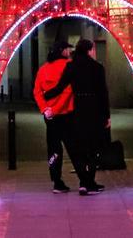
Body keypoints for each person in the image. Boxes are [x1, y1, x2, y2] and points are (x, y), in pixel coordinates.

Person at [44, 38, 110, 196]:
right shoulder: (97, 67)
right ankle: (89, 182)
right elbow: (103, 93)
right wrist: (106, 115)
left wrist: (47, 95)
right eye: (93, 49)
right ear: (90, 50)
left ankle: (84, 182)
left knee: (81, 147)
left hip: (78, 108)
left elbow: (60, 86)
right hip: (94, 110)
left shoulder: (71, 66)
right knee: (93, 147)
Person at [33, 40, 75, 193]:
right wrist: (56, 109)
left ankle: (56, 181)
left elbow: (37, 92)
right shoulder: (68, 66)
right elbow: (68, 90)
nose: (69, 52)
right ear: (63, 51)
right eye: (68, 49)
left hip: (49, 117)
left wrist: (45, 109)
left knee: (53, 148)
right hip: (66, 114)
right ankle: (84, 179)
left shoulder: (43, 69)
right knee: (72, 146)